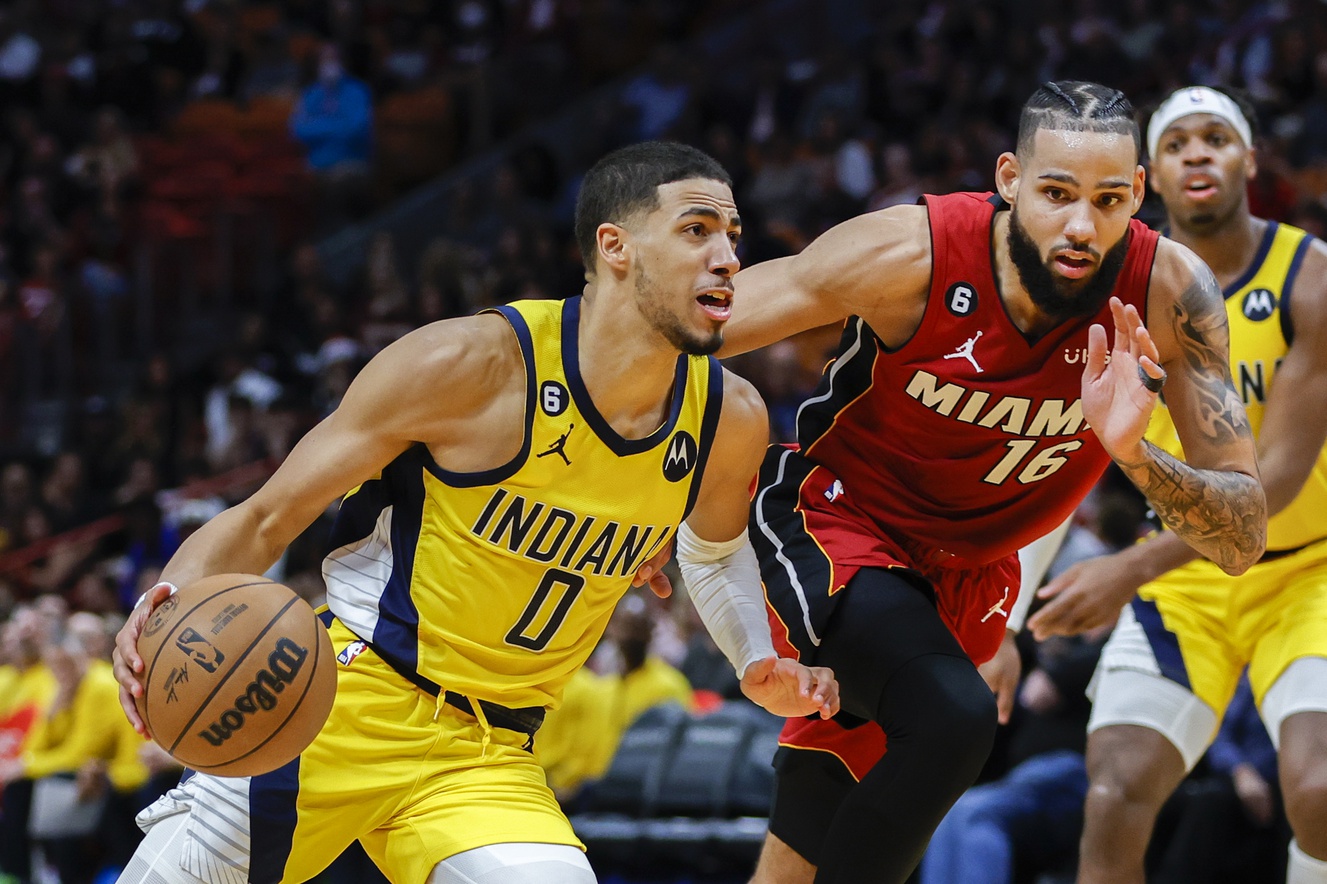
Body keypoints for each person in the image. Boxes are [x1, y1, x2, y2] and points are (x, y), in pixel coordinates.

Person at [109, 142, 839, 884]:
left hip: (489, 754)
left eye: (732, 237)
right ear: (614, 247)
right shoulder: (469, 367)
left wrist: (754, 657)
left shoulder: (727, 418)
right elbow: (267, 517)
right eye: (696, 231)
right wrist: (157, 612)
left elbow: (713, 555)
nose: (726, 258)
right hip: (339, 701)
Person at [712, 80, 1268, 884]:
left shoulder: (1169, 292)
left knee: (812, 831)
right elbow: (690, 332)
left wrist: (1136, 455)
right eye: (1055, 194)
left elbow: (1243, 534)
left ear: (1138, 194)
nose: (1081, 226)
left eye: (1108, 200)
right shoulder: (910, 253)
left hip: (972, 578)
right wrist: (648, 491)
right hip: (835, 526)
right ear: (1008, 179)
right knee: (951, 722)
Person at [1027, 85, 1327, 884]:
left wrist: (1127, 567)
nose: (1197, 152)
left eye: (1216, 138)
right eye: (1177, 142)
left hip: (1304, 575)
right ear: (1151, 175)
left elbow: (1283, 479)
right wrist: (1000, 625)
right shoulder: (1112, 281)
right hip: (1185, 589)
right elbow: (1059, 451)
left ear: (1249, 161)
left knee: (1320, 794)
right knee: (1114, 791)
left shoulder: (1310, 277)